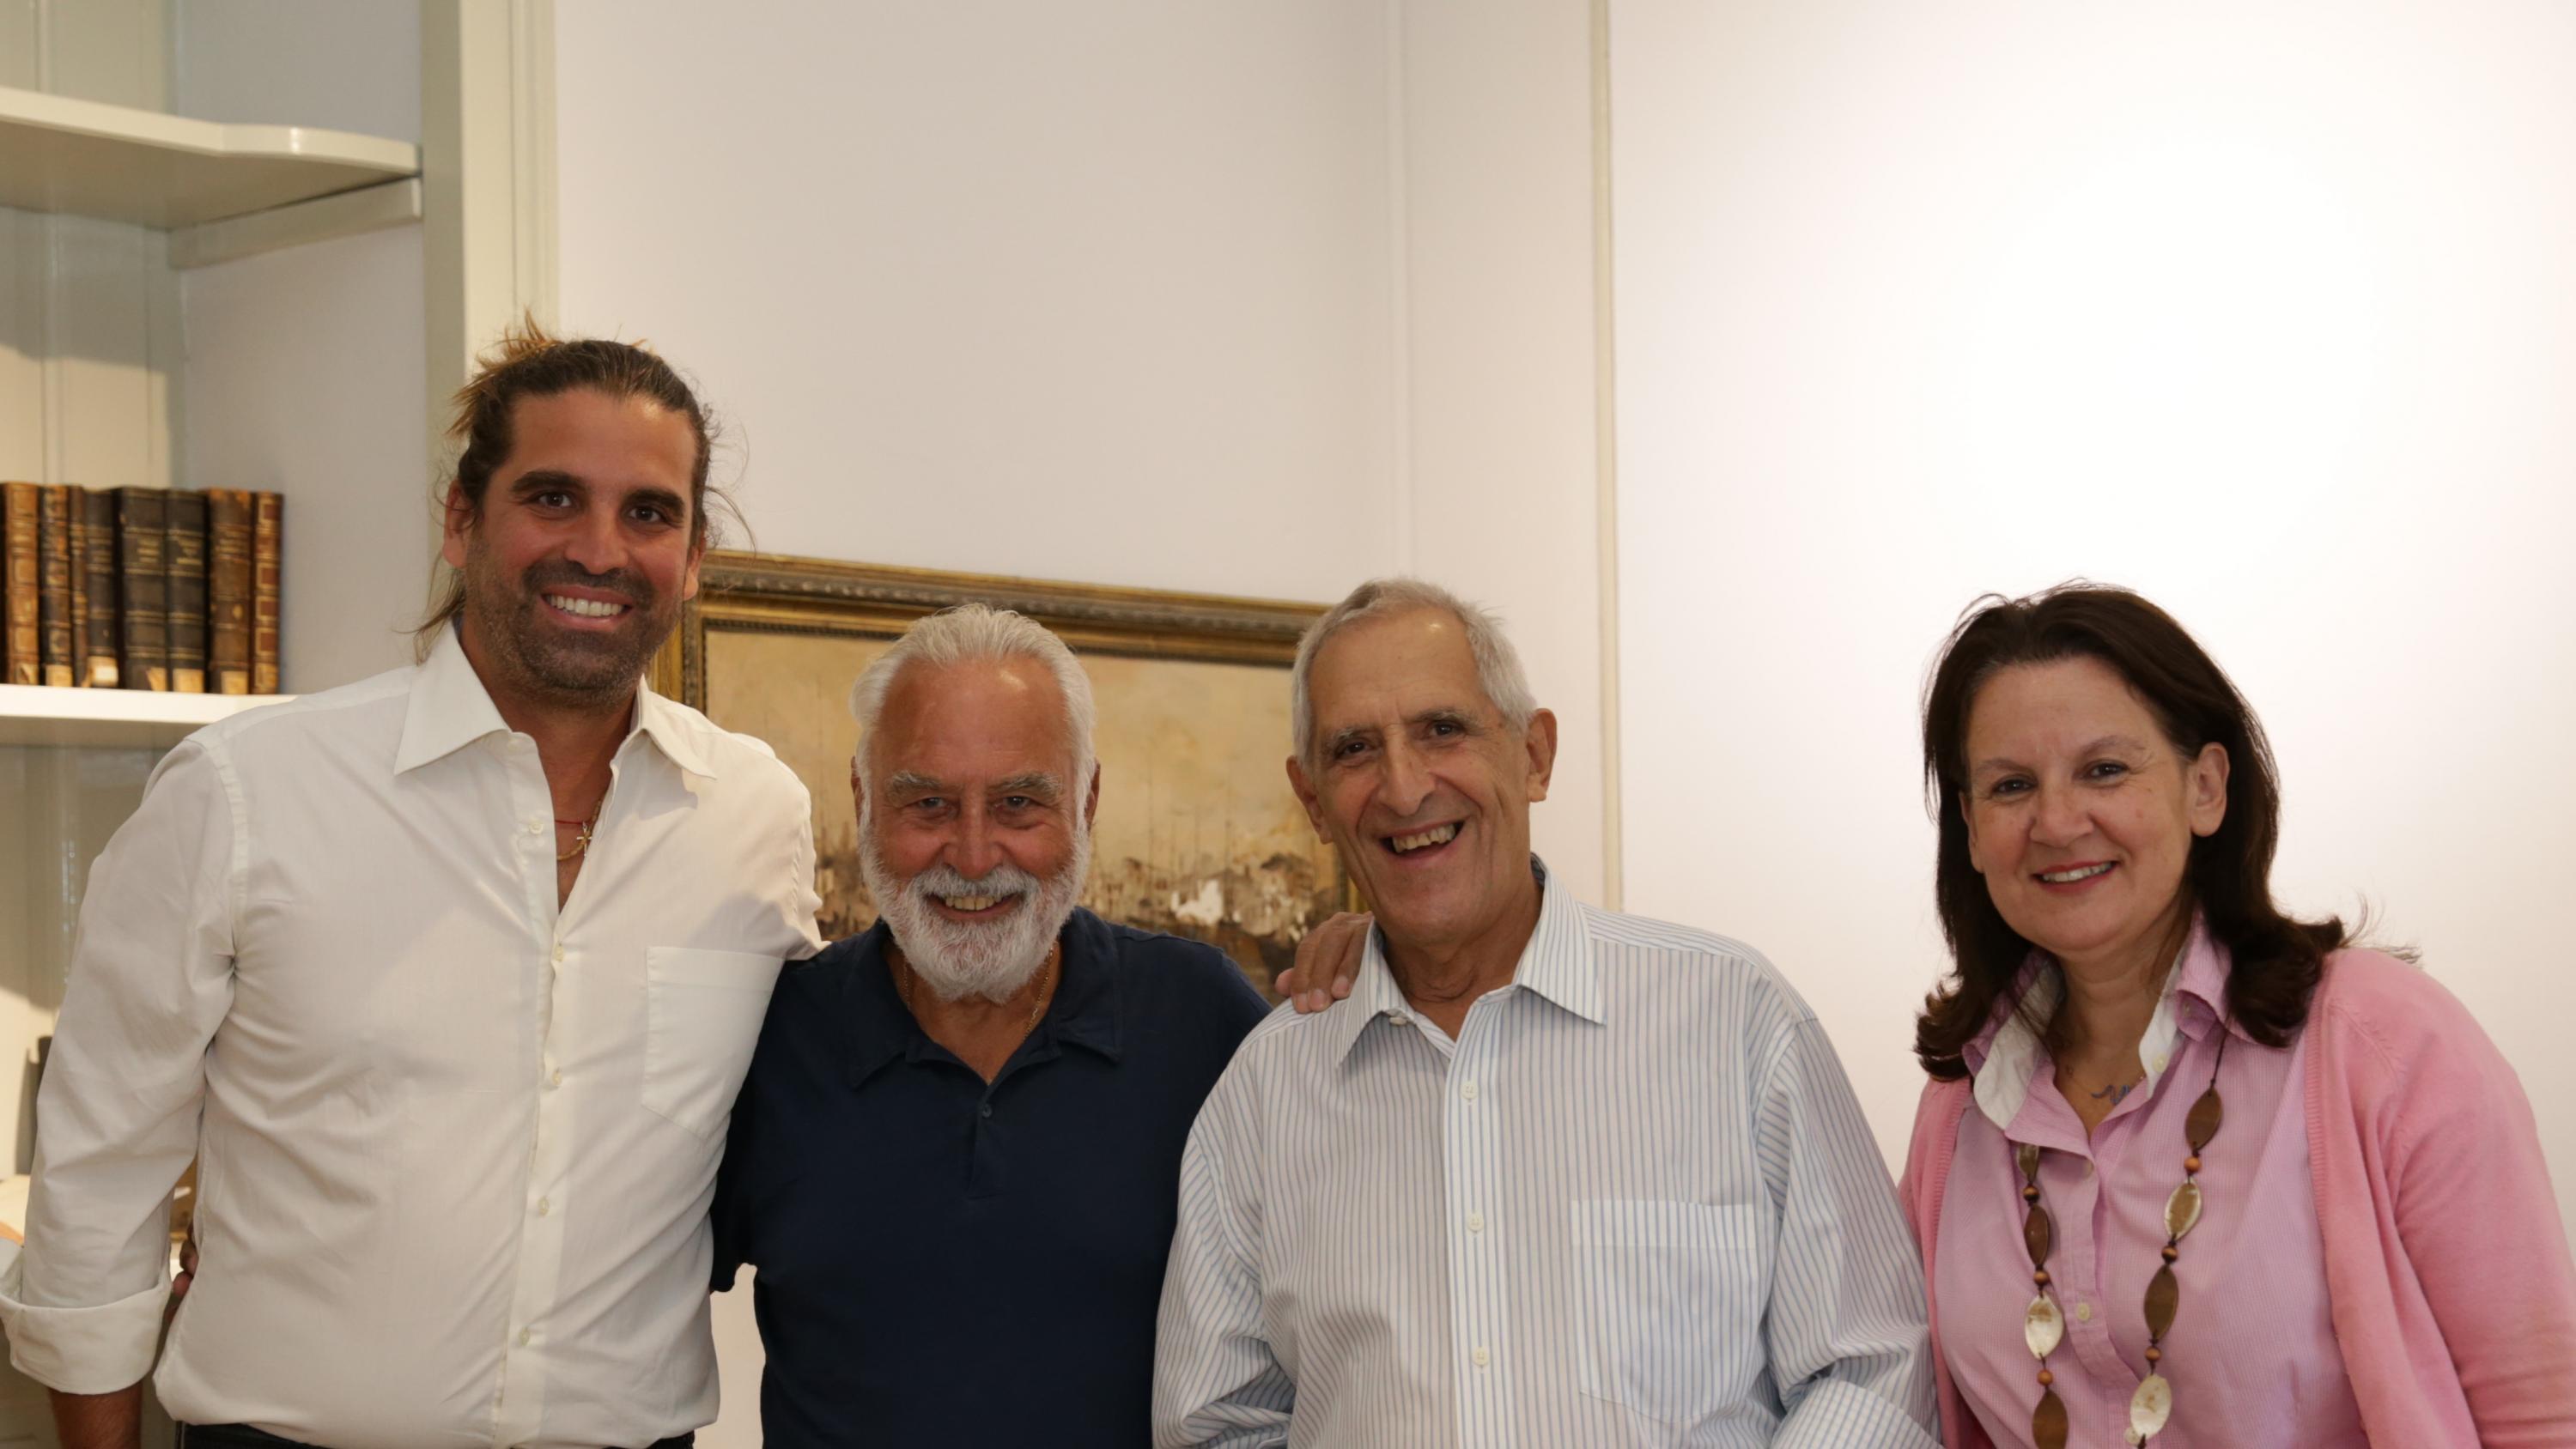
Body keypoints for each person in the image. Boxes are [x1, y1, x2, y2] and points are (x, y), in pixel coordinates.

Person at [0, 328, 822, 1449]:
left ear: (693, 556)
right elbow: (100, 1174)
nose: (600, 549)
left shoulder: (755, 816)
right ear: (460, 519)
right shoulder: (244, 792)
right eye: (553, 497)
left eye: (648, 512)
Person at [1152, 577, 1936, 1447]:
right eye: (1356, 749)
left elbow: (1872, 1367)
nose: (1404, 788)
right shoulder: (1266, 1093)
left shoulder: (1736, 1020)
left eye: (1442, 729)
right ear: (1314, 802)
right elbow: (1218, 1422)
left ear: (1534, 755)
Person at [1896, 584, 2576, 1447]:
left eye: (2105, 770)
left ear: (2207, 787)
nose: (2057, 821)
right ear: (1969, 825)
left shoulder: (2384, 1044)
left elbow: (2543, 1416)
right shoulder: (1960, 1106)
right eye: (2011, 785)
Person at [713, 604, 1269, 1445]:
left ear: (1086, 801)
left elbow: (1336, 1303)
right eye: (928, 803)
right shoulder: (769, 1033)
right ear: (862, 801)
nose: (973, 857)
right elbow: (625, 1310)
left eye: (1018, 803)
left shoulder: (1200, 1018)